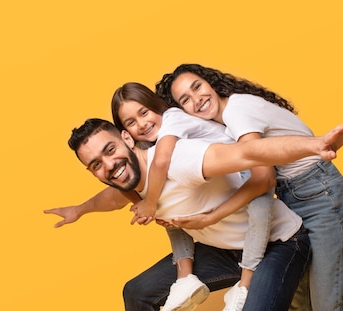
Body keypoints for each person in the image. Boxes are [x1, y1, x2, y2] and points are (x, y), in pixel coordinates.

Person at [53, 117, 343, 311]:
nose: (108, 165)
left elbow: (248, 154)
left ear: (127, 139)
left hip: (279, 244)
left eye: (110, 150)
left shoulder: (180, 160)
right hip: (227, 251)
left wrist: (315, 145)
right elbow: (109, 200)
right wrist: (79, 210)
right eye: (95, 165)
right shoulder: (129, 185)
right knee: (136, 292)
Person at [156, 63, 343, 311]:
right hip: (292, 198)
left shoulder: (237, 112)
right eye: (185, 99)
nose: (197, 99)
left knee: (329, 304)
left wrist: (210, 217)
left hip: (318, 195)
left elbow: (263, 177)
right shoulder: (223, 125)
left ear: (210, 82)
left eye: (197, 87)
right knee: (300, 304)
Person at [110, 82, 278, 311]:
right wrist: (80, 209)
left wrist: (149, 204)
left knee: (260, 206)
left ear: (156, 106)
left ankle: (245, 284)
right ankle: (185, 278)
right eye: (131, 122)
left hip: (244, 163)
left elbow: (160, 162)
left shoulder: (172, 118)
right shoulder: (147, 144)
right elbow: (123, 186)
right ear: (124, 133)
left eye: (144, 112)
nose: (142, 124)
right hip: (220, 180)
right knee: (166, 202)